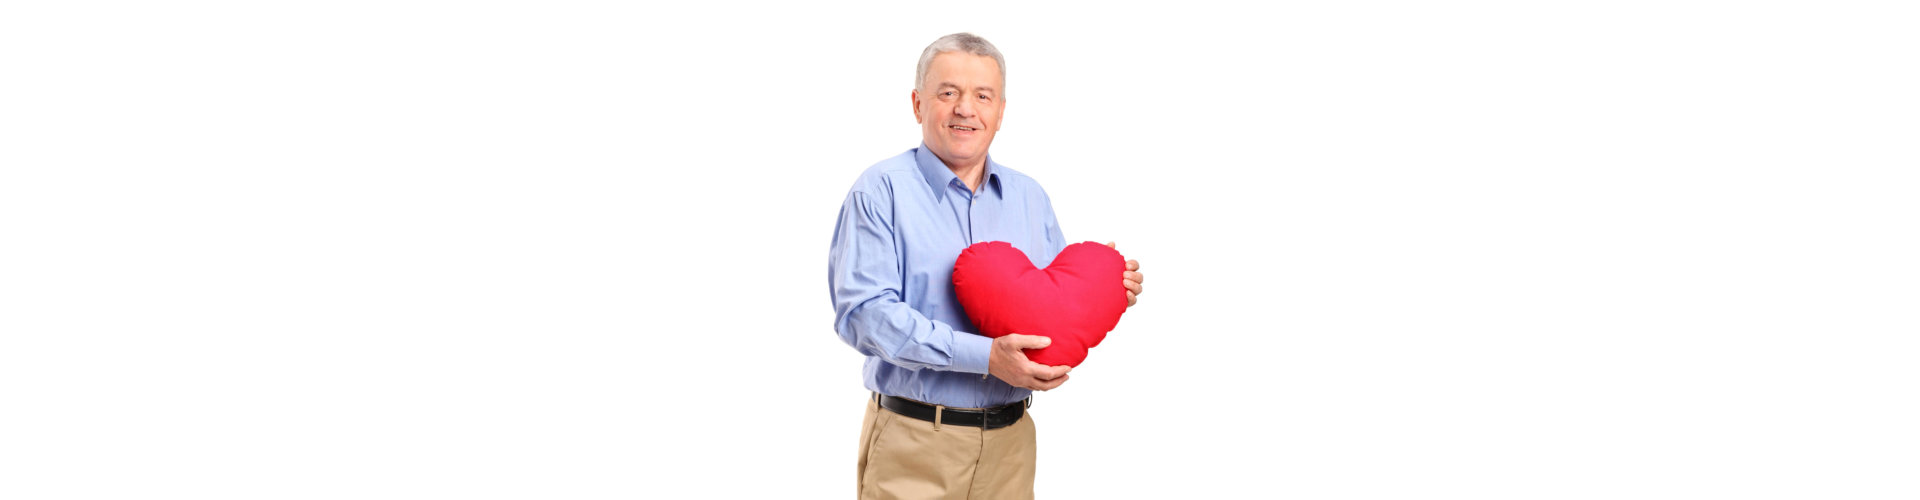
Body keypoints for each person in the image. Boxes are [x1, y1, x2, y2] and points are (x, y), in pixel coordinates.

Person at [827, 33, 1145, 499]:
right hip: (915, 442)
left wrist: (1109, 288)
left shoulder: (1029, 197)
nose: (965, 109)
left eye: (983, 96)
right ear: (918, 104)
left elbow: (1051, 302)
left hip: (1011, 446)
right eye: (948, 92)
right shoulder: (879, 192)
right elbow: (864, 317)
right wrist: (986, 358)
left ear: (1000, 112)